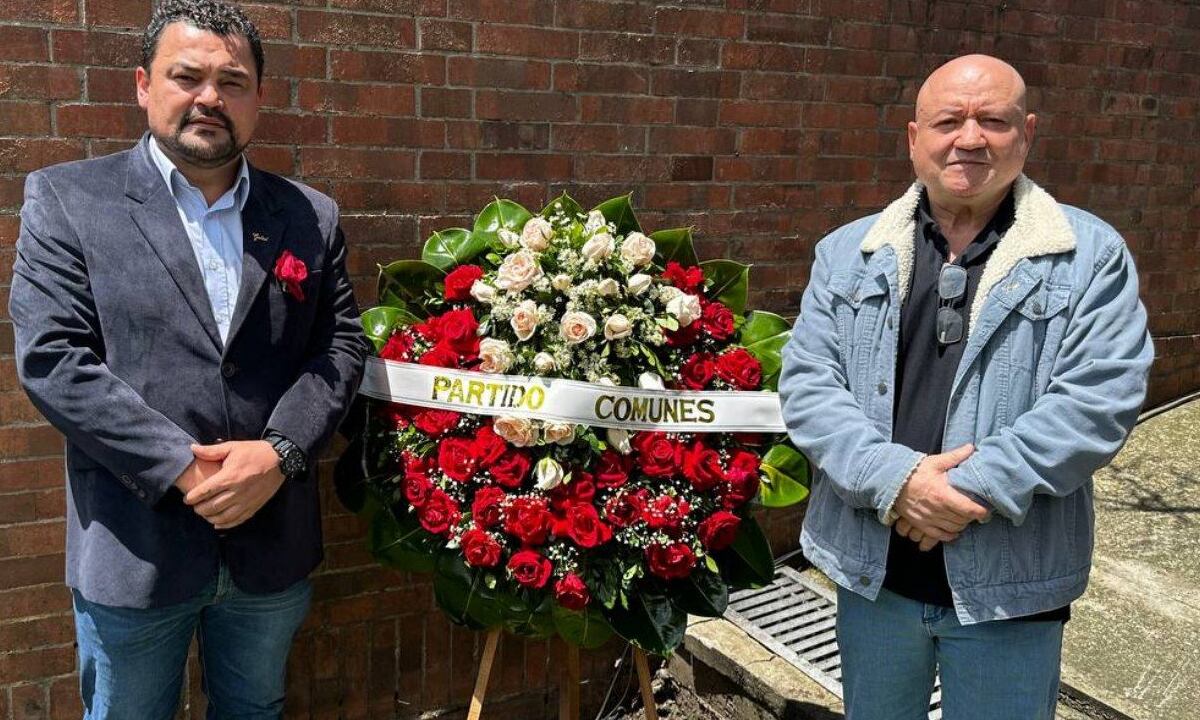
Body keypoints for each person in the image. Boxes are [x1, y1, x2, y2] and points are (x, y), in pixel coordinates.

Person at [9, 1, 368, 717]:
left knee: (254, 709)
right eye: (187, 76)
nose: (210, 97)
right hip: (134, 546)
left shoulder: (308, 215)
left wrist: (280, 453)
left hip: (270, 544)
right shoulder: (68, 200)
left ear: (259, 98)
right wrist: (181, 466)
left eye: (232, 82)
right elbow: (54, 359)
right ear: (144, 85)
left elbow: (340, 344)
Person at [778, 54, 1152, 719]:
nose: (970, 138)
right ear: (914, 137)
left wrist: (959, 492)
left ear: (1026, 134)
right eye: (949, 121)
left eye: (994, 121)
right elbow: (809, 386)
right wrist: (897, 481)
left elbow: (1099, 398)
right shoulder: (847, 253)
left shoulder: (1089, 257)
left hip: (1011, 589)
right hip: (874, 579)